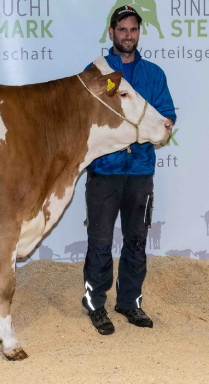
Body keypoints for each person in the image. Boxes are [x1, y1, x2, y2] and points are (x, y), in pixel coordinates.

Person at [82, 6, 176, 335]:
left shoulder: (154, 74)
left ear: (139, 33)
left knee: (135, 241)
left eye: (133, 30)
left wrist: (147, 130)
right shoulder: (97, 71)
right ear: (111, 33)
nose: (127, 36)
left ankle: (129, 302)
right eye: (122, 30)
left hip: (140, 171)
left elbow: (166, 118)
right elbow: (85, 119)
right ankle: (95, 303)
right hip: (104, 171)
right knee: (100, 241)